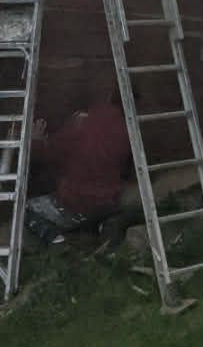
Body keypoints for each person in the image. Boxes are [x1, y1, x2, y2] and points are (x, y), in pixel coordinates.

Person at [25, 85, 134, 244]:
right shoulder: (127, 127)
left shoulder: (80, 121)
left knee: (25, 208)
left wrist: (36, 141)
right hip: (110, 201)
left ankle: (58, 241)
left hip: (77, 204)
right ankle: (101, 226)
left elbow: (50, 154)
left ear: (107, 96)